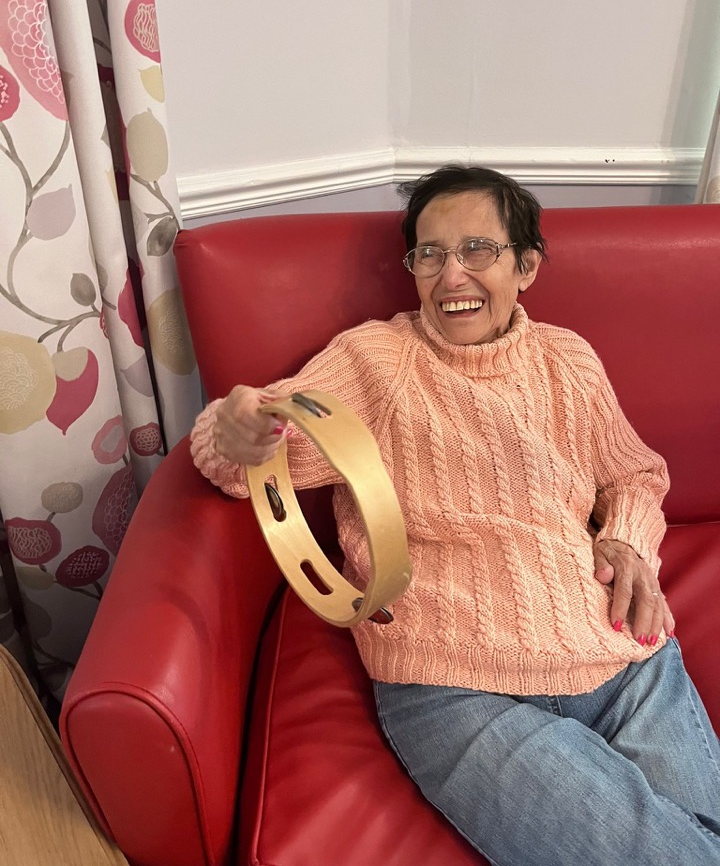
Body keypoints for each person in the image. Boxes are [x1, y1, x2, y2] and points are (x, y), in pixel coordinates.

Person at [190, 166, 720, 866]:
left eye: (478, 250)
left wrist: (626, 541)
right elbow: (259, 448)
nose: (451, 276)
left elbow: (634, 473)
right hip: (456, 687)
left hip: (623, 654)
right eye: (430, 255)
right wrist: (230, 431)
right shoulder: (376, 360)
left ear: (526, 266)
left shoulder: (570, 361)